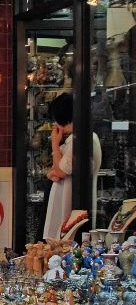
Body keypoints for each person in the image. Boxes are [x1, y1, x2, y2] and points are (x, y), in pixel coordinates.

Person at [43, 93, 102, 240]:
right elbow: (54, 170)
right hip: (65, 198)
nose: (55, 125)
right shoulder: (75, 139)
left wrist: (55, 144)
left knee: (66, 239)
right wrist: (54, 171)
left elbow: (61, 171)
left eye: (55, 120)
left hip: (70, 202)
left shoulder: (79, 140)